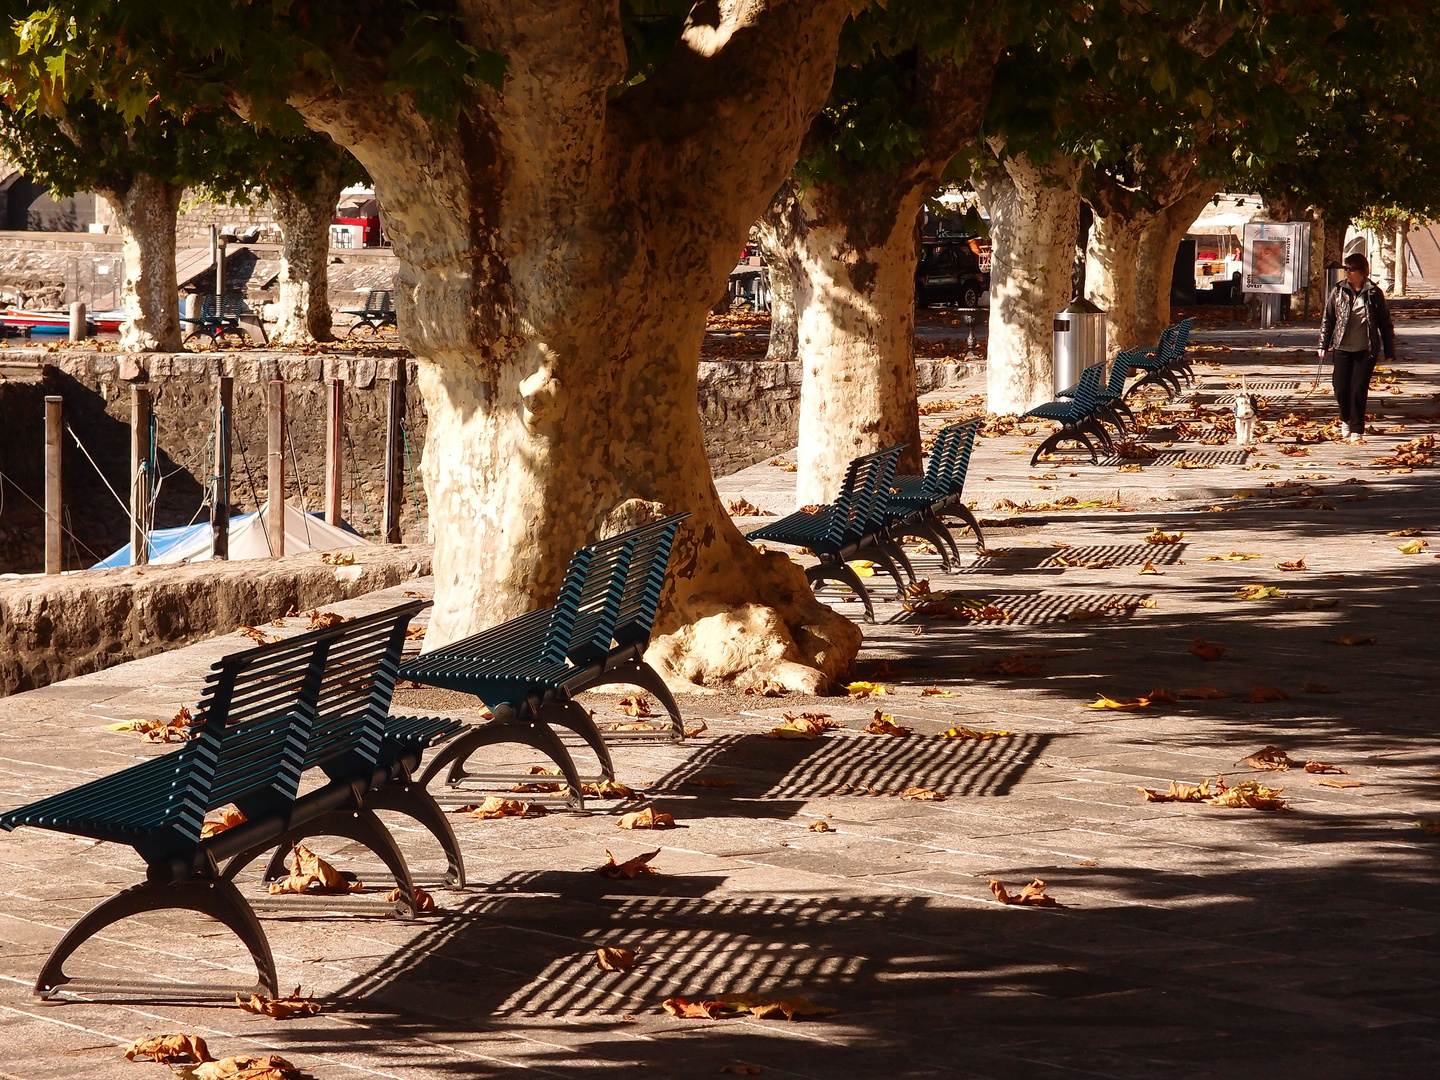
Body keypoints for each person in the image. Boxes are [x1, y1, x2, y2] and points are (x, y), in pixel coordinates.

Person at [1318, 252, 1395, 443]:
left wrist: (1389, 350)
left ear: (1362, 271)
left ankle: (1357, 429)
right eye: (1346, 268)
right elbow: (1328, 319)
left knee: (1358, 389)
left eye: (1352, 269)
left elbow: (1385, 323)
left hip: (1365, 349)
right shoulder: (1338, 290)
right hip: (1342, 347)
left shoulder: (1374, 293)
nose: (1348, 272)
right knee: (1341, 388)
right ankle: (1345, 418)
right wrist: (1323, 344)